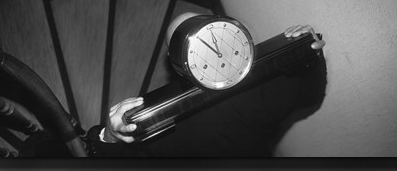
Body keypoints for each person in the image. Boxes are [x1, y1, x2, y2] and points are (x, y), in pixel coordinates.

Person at [87, 12, 327, 157]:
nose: (210, 51)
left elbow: (308, 95)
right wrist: (111, 135)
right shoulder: (165, 115)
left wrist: (309, 54)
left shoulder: (265, 82)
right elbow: (310, 96)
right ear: (180, 67)